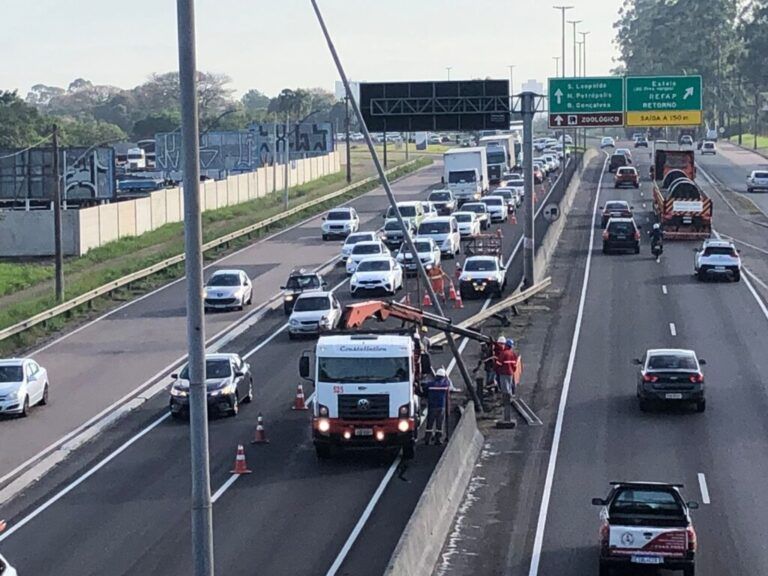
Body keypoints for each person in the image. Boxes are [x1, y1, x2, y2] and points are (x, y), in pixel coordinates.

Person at [424, 367, 451, 445]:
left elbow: (424, 390)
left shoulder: (430, 384)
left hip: (432, 407)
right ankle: (438, 440)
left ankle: (427, 439)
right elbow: (448, 383)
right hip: (441, 407)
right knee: (439, 424)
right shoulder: (445, 385)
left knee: (430, 424)